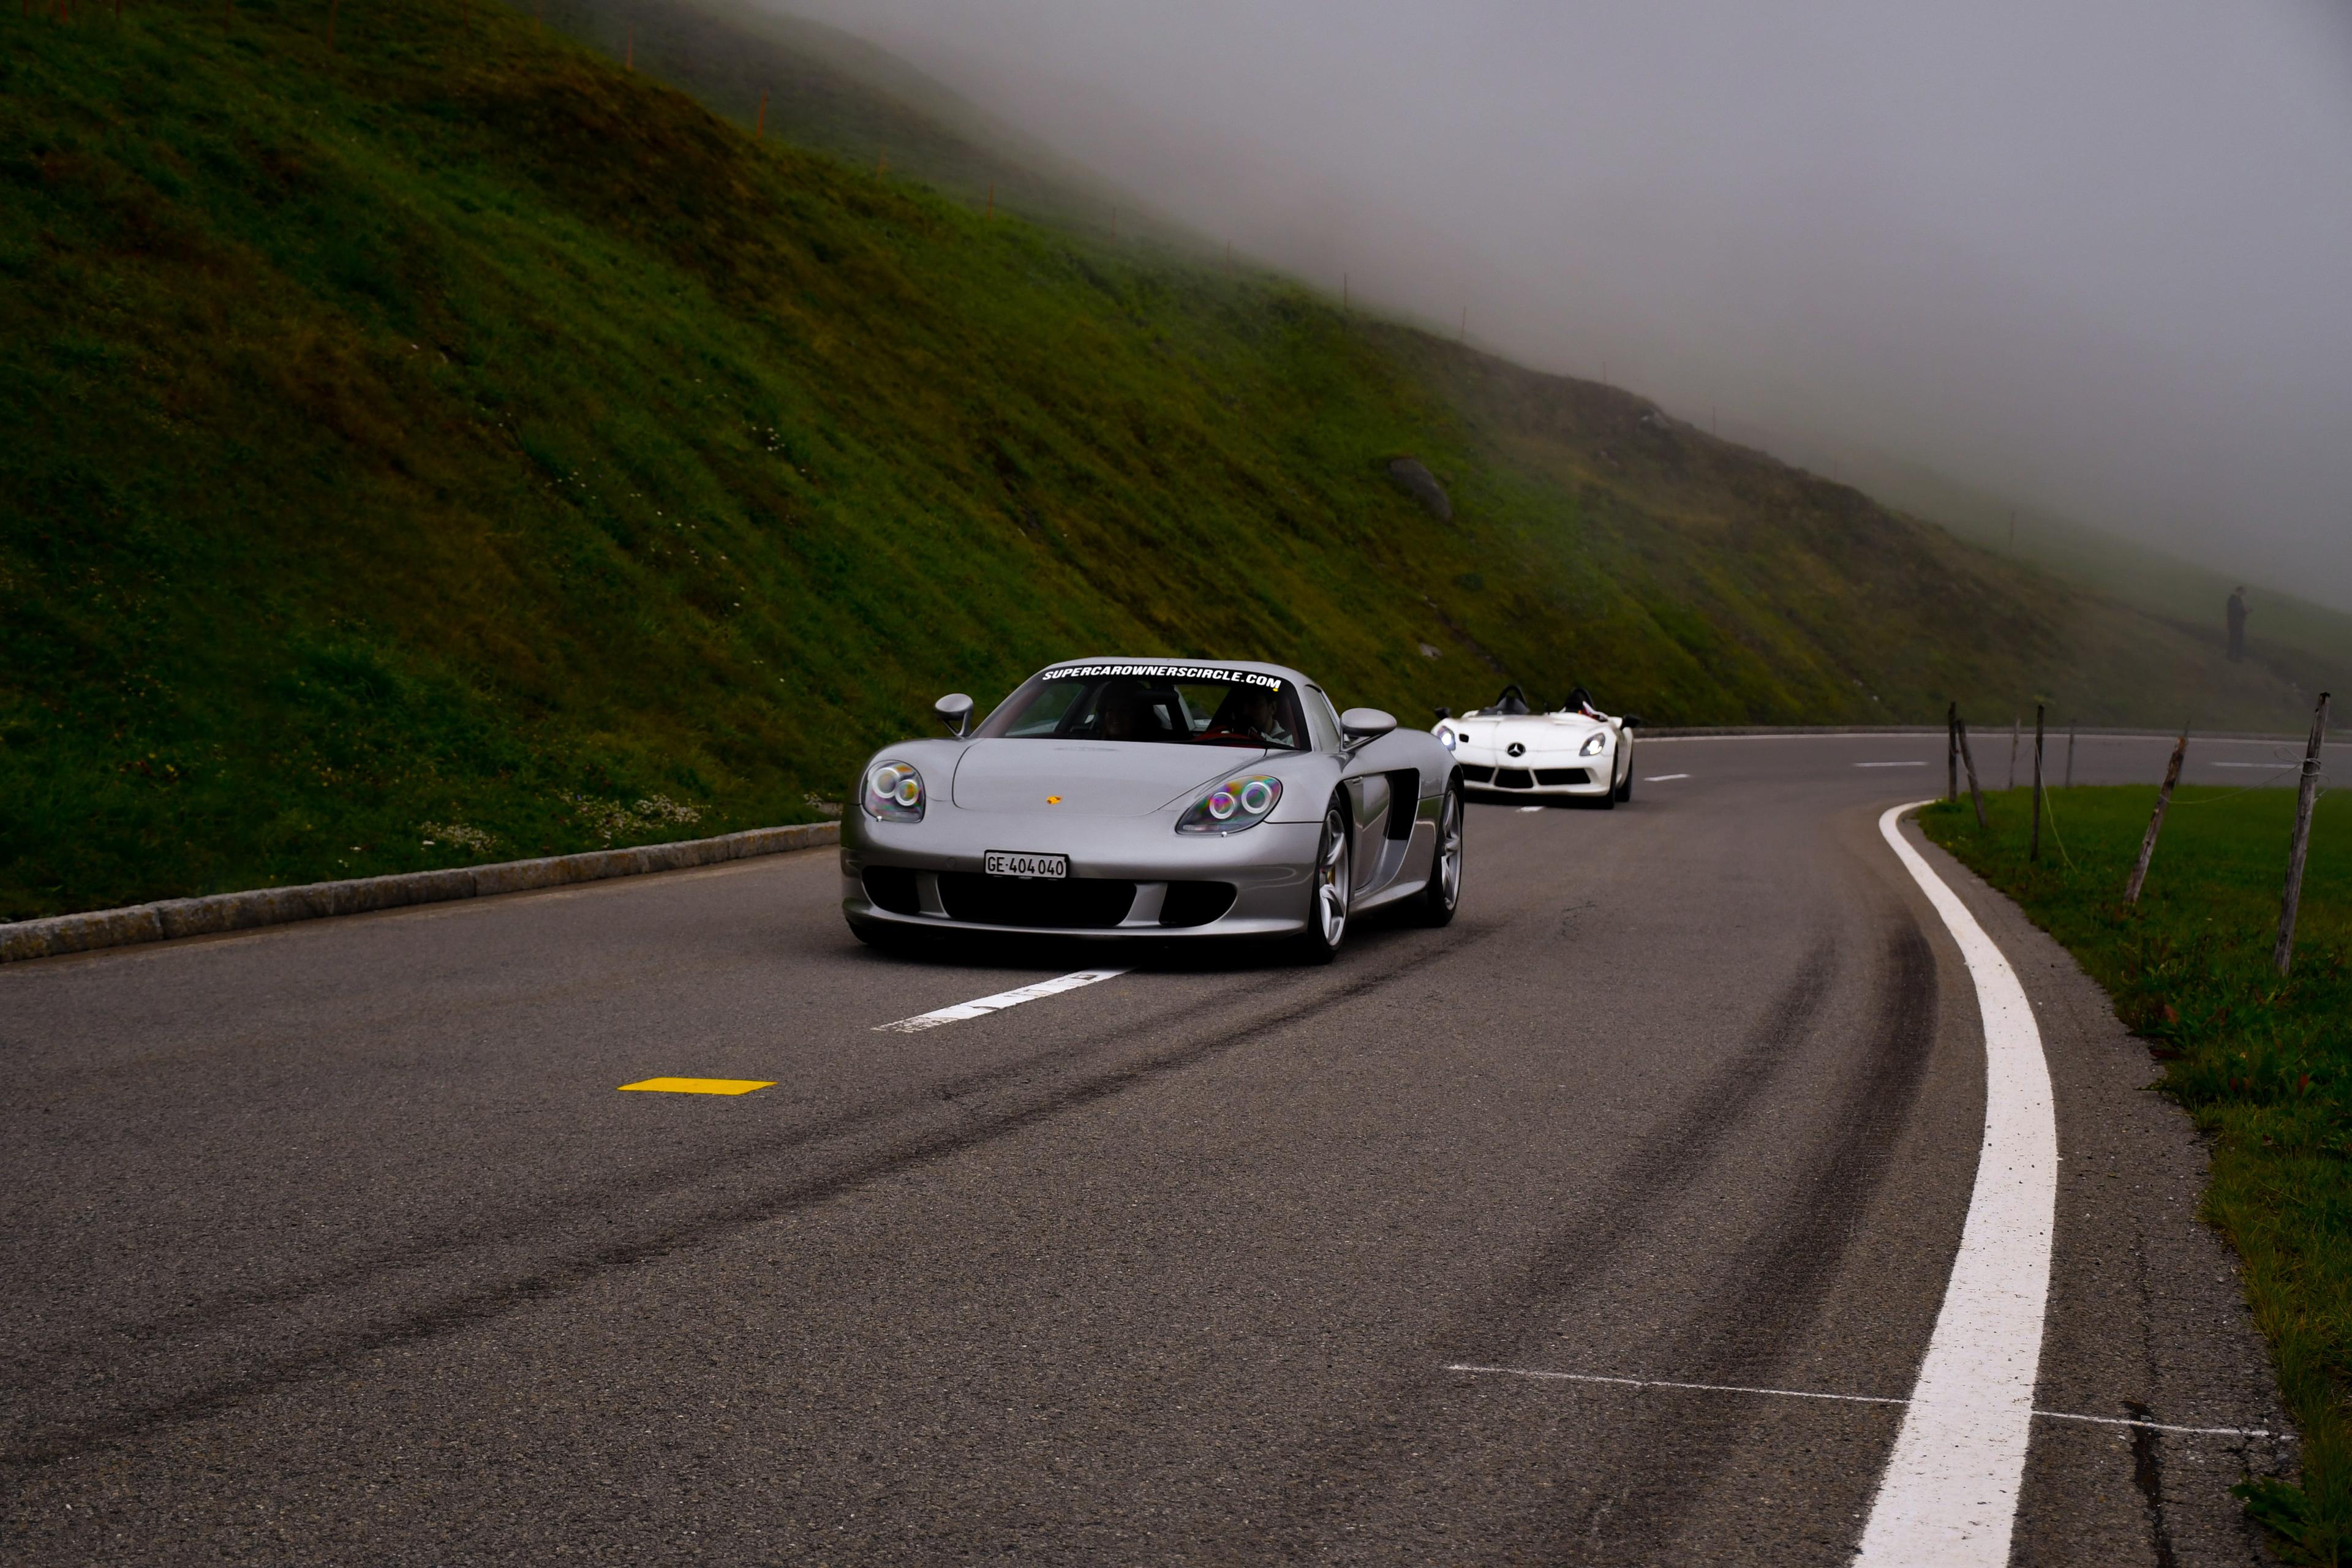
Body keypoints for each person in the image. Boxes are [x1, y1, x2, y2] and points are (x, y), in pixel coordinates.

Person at [2226, 587, 2249, 663]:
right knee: (2235, 640)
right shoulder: (2234, 600)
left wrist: (2246, 611)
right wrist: (2245, 611)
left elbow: (2240, 611)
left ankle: (2237, 658)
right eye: (2242, 592)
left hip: (2238, 623)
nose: (2243, 594)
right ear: (2238, 591)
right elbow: (2235, 612)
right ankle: (2232, 657)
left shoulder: (2237, 600)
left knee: (2238, 641)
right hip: (2235, 623)